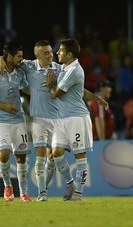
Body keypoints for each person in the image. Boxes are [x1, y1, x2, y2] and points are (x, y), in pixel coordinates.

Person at [0, 40, 107, 202]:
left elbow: (76, 87)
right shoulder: (29, 66)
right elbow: (10, 58)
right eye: (46, 53)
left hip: (58, 118)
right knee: (41, 157)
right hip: (38, 119)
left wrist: (96, 99)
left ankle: (71, 185)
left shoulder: (60, 68)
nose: (51, 55)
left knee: (54, 157)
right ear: (37, 55)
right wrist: (0, 59)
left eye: (51, 51)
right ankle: (42, 193)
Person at [46, 38, 95, 201]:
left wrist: (50, 85)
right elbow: (81, 90)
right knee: (56, 153)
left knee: (80, 156)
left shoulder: (75, 70)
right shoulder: (64, 68)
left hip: (76, 118)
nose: (57, 52)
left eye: (60, 50)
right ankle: (70, 182)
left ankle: (78, 194)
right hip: (61, 118)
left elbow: (56, 93)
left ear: (70, 54)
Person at [0, 42, 32, 202]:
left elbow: (26, 88)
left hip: (18, 119)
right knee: (4, 154)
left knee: (21, 157)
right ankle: (7, 186)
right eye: (19, 56)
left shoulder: (19, 72)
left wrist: (42, 91)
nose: (21, 59)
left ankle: (24, 193)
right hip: (0, 120)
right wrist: (4, 106)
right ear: (9, 56)